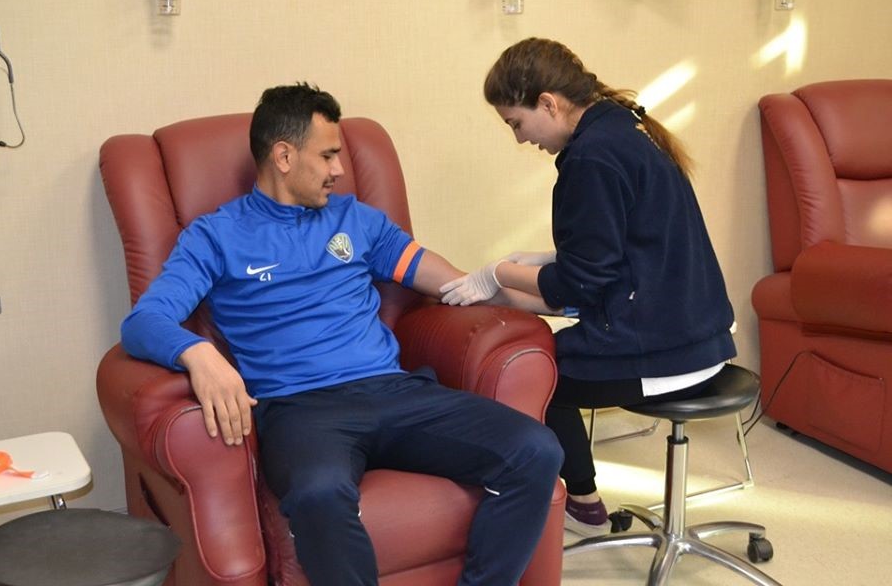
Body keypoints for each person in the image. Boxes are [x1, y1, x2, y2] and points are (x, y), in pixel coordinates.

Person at [120, 83, 563, 586]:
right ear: (283, 156)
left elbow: (457, 285)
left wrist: (541, 296)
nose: (339, 169)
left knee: (536, 449)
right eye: (327, 155)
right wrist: (198, 354)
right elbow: (143, 322)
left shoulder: (358, 220)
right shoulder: (215, 236)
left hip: (393, 392)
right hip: (300, 410)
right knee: (319, 494)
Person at [440, 37, 737, 536]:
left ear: (548, 104)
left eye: (516, 124)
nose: (519, 139)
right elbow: (623, 252)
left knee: (530, 370)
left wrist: (499, 274)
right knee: (542, 347)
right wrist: (539, 265)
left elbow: (580, 284)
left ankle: (582, 504)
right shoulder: (622, 128)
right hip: (700, 335)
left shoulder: (591, 158)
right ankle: (581, 499)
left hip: (666, 351)